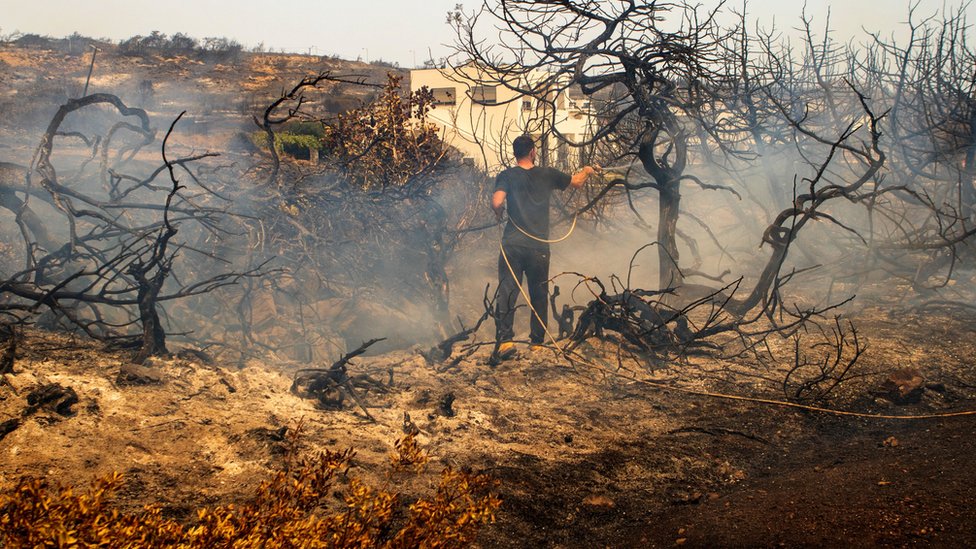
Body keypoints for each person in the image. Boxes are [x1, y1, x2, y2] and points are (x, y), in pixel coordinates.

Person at [491, 134, 599, 360]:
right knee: (539, 292)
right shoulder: (547, 174)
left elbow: (497, 202)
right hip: (539, 246)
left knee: (508, 291)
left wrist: (499, 213)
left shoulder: (507, 176)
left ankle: (506, 342)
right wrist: (587, 171)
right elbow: (577, 182)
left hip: (512, 243)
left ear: (515, 153)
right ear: (532, 152)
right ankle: (537, 344)